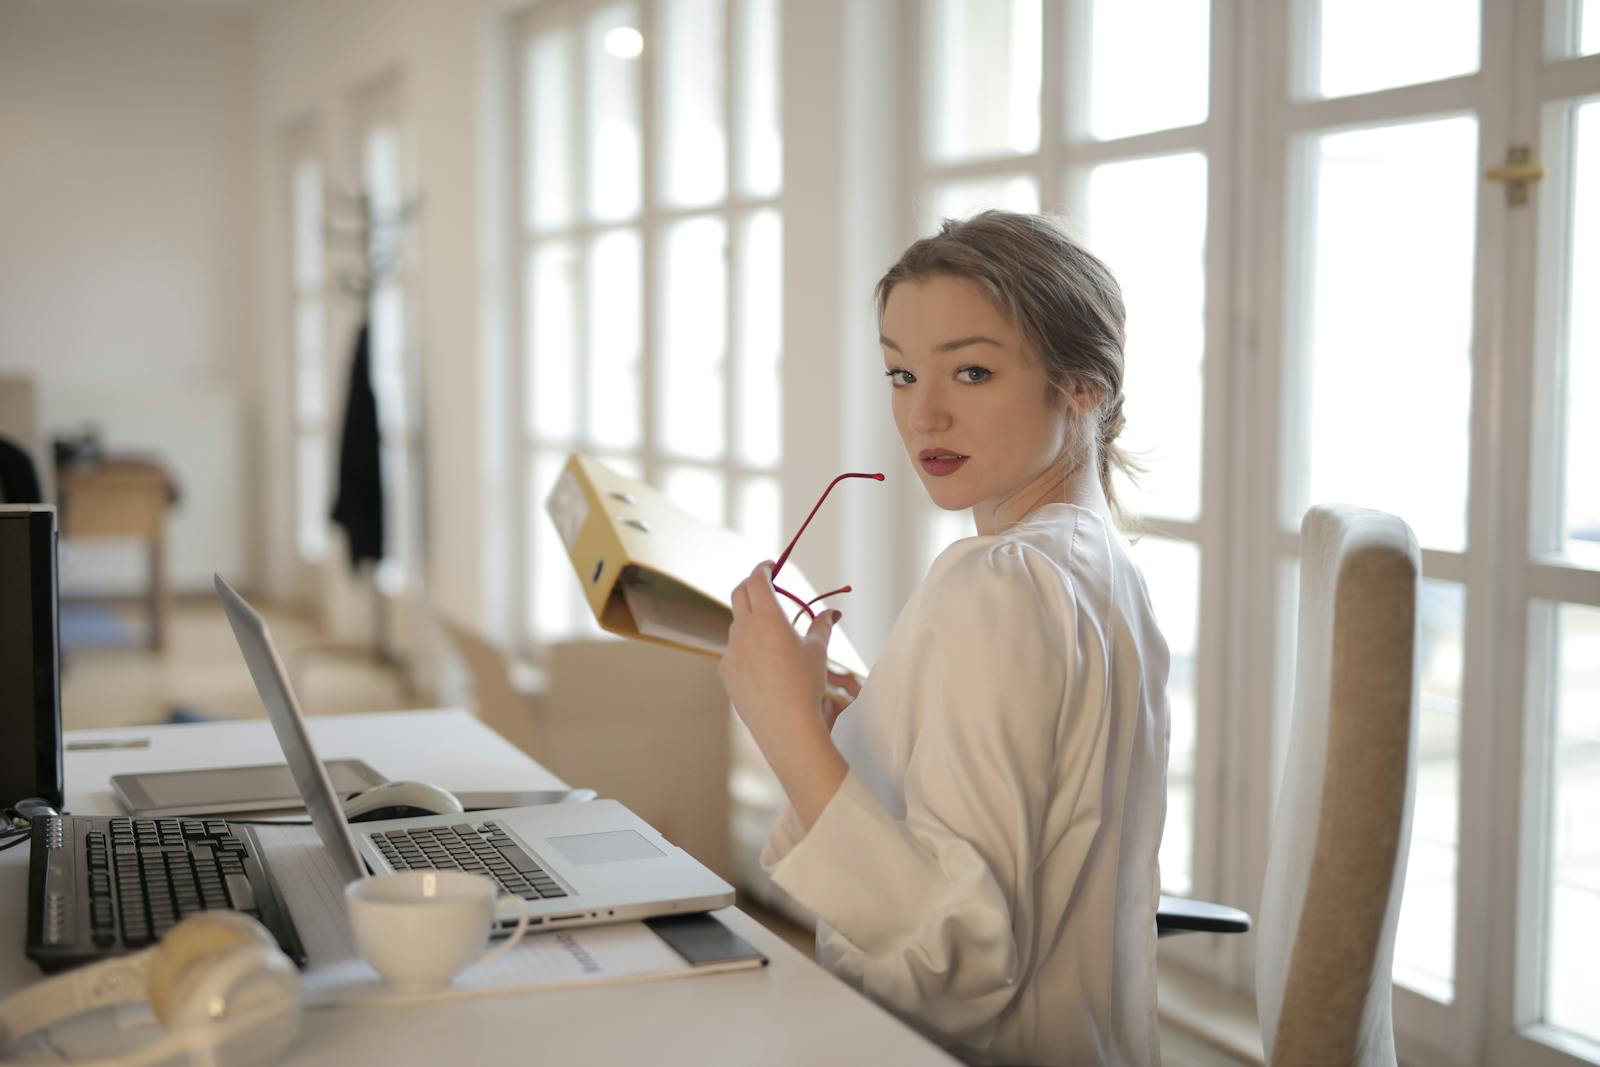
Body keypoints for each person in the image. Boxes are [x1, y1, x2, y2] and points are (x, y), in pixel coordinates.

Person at [718, 210, 1171, 1066]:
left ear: (1084, 386)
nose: (923, 414)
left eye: (970, 371)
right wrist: (864, 739)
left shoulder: (997, 581)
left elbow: (951, 958)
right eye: (898, 373)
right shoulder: (1109, 571)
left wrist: (783, 730)